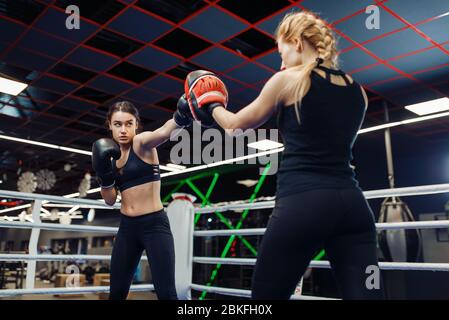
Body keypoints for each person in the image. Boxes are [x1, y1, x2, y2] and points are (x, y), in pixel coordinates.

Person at [184, 11, 384, 299]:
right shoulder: (358, 91)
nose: (281, 62)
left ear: (297, 42)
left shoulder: (288, 79)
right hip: (354, 208)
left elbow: (235, 127)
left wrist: (210, 104)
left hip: (304, 205)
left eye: (282, 51)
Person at [91, 96, 192, 300]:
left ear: (136, 125)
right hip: (127, 229)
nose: (123, 130)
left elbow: (162, 132)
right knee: (117, 292)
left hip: (154, 225)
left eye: (129, 124)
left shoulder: (141, 143)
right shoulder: (111, 158)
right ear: (109, 126)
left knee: (166, 292)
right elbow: (110, 200)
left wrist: (181, 116)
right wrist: (103, 173)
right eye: (117, 124)